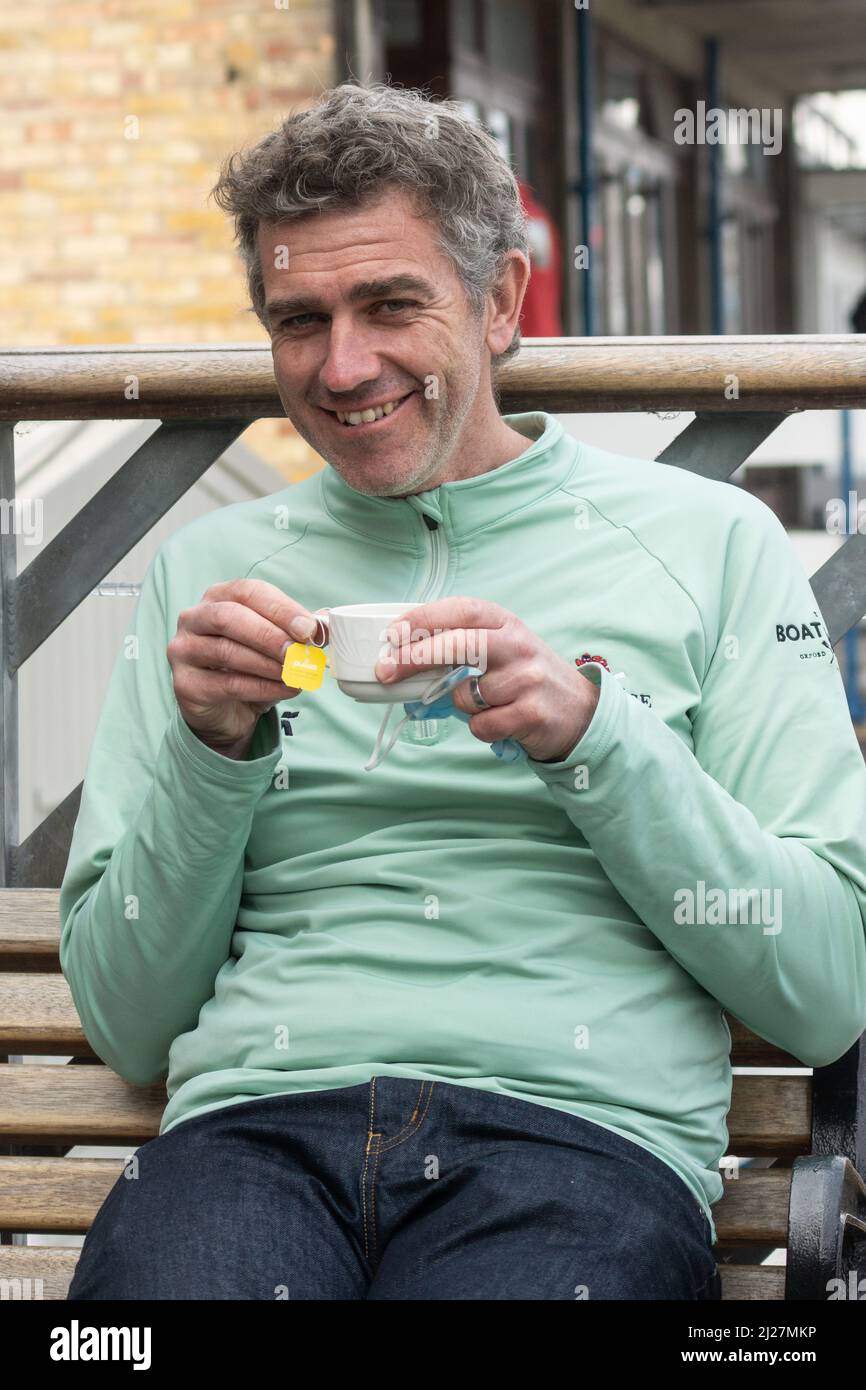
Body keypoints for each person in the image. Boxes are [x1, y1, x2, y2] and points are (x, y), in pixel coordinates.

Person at [61, 82, 866, 1301]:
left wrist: (598, 739)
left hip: (577, 1141)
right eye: (298, 319)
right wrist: (212, 753)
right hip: (250, 1138)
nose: (342, 366)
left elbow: (826, 990)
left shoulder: (710, 543)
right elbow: (128, 1023)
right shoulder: (210, 580)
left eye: (390, 304)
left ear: (497, 305)